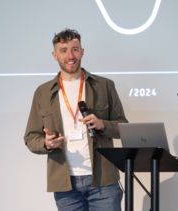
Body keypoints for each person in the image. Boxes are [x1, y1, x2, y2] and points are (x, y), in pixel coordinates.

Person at [24, 28, 128, 211]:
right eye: (63, 50)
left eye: (75, 49)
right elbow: (31, 137)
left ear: (82, 51)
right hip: (65, 184)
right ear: (54, 55)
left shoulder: (104, 86)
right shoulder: (42, 93)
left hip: (103, 180)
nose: (70, 55)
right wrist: (47, 143)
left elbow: (124, 128)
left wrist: (103, 124)